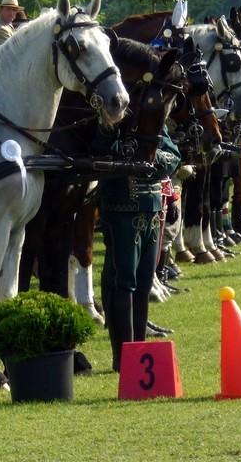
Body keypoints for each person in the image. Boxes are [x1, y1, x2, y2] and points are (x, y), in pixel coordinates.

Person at [96, 127, 181, 372]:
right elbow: (101, 150)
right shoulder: (113, 125)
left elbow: (173, 155)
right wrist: (132, 156)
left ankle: (139, 351)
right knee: (124, 280)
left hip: (152, 208)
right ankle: (123, 356)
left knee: (144, 282)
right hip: (122, 208)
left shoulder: (153, 122)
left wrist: (151, 157)